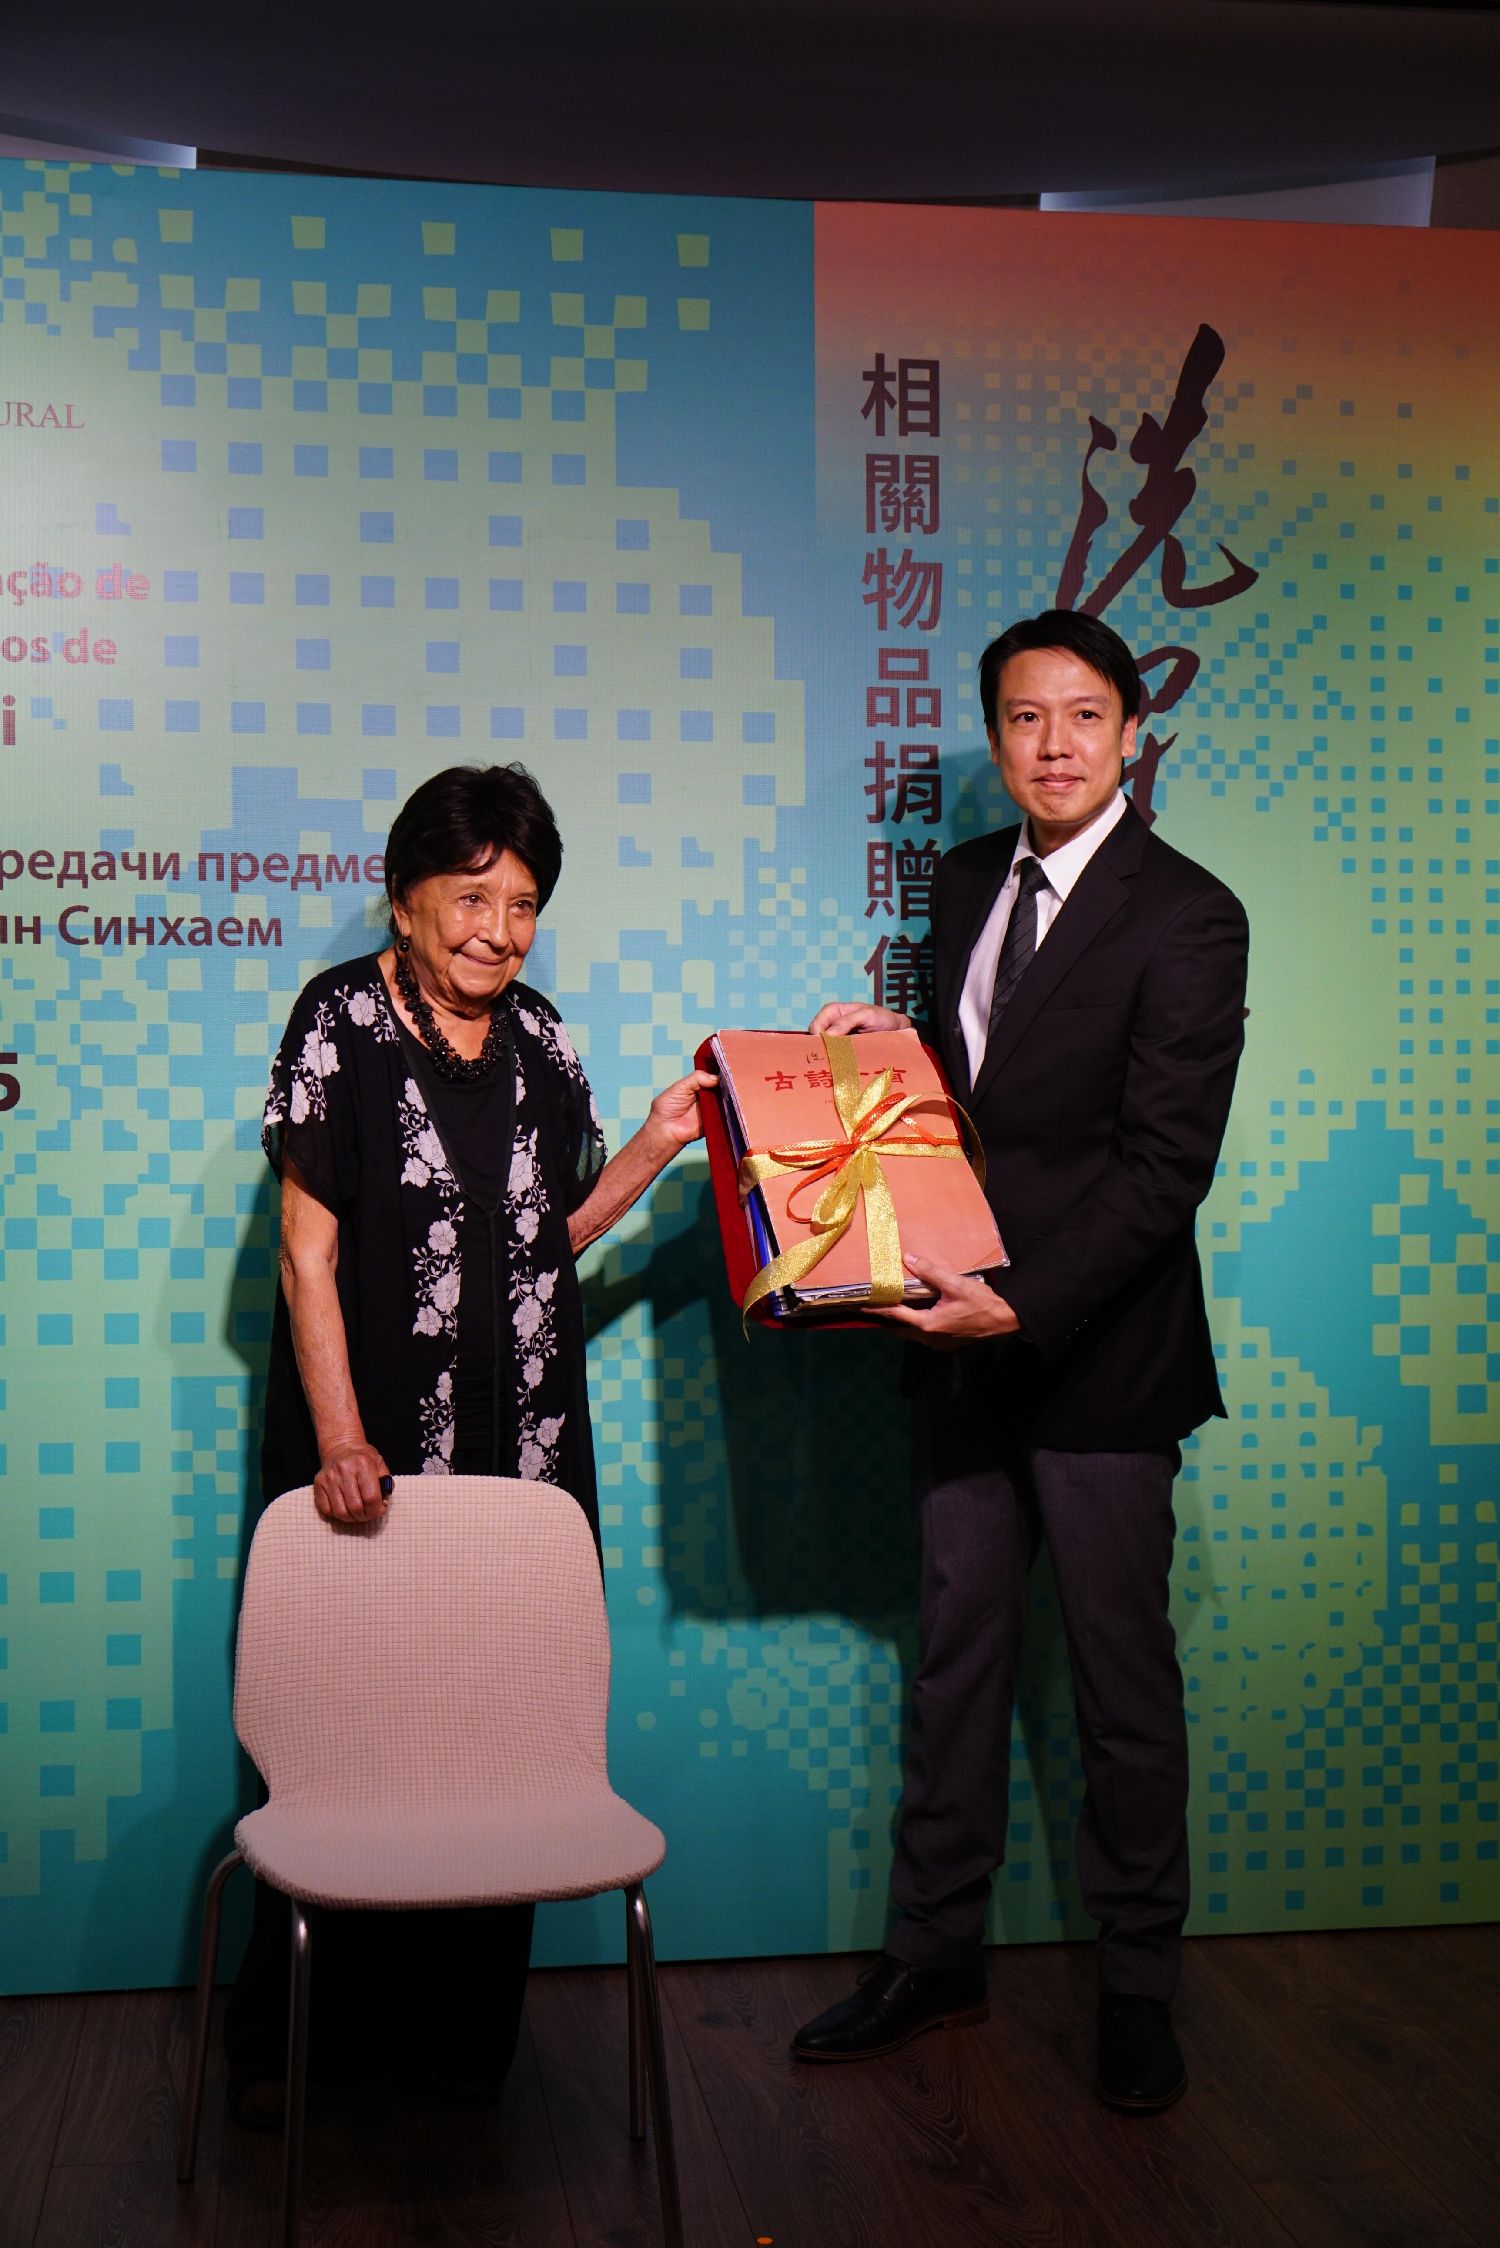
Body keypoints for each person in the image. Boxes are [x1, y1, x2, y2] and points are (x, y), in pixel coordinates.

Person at [793, 610, 1248, 2111]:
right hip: (959, 1343)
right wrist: (895, 1055)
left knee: (1122, 1685)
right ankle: (933, 1956)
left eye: (1083, 715)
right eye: (1025, 718)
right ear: (995, 738)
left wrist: (1026, 1305)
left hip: (1100, 1357)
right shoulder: (968, 878)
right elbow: (985, 1100)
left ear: (1132, 733)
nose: (1054, 744)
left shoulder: (1192, 915)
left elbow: (1164, 1169)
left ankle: (1139, 1985)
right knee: (956, 1665)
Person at [225, 760, 714, 2118]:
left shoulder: (543, 1041)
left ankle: (455, 2053)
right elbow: (307, 1255)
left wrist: (656, 1145)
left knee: (495, 1737)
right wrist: (338, 1439)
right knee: (355, 1742)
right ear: (406, 899)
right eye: (472, 898)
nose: (500, 932)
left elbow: (544, 1246)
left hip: (525, 1459)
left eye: (524, 904)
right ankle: (299, 2054)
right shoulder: (339, 1021)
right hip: (368, 1462)